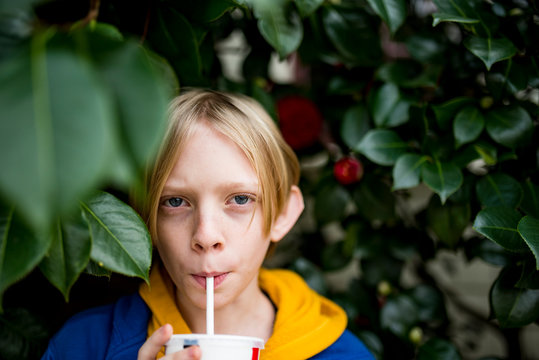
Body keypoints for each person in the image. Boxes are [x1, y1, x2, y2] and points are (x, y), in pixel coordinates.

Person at [41, 89, 374, 359]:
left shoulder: (343, 354)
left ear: (284, 213)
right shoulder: (82, 346)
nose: (206, 235)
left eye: (240, 199)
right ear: (144, 218)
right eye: (175, 202)